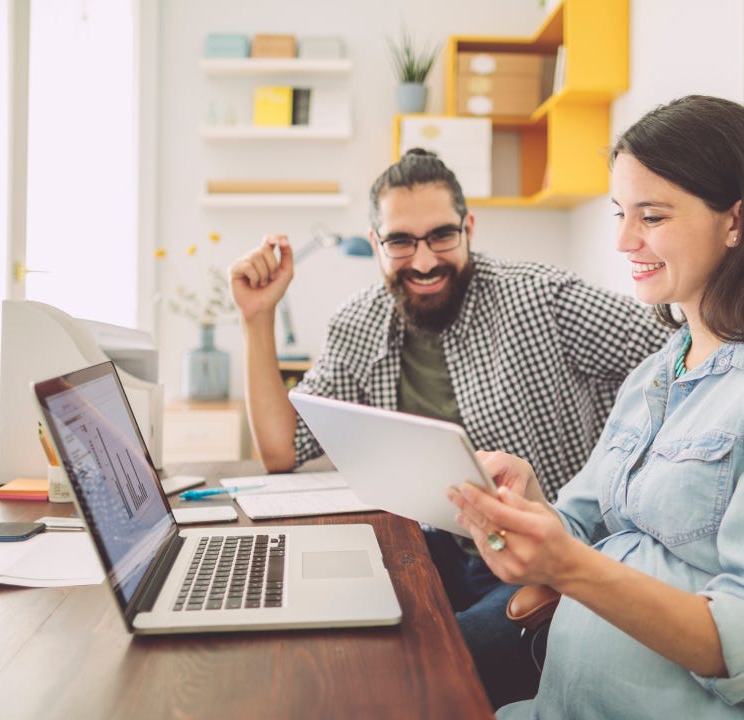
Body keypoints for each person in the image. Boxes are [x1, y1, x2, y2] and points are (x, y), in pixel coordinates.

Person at [448, 95, 744, 719]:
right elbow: (581, 527)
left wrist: (570, 567)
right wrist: (526, 503)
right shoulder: (657, 372)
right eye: (620, 214)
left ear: (735, 221)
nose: (624, 240)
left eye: (652, 216)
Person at [228, 148, 669, 706]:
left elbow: (678, 355)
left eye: (441, 236)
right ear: (377, 243)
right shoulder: (359, 323)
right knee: (333, 641)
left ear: (468, 228)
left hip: (545, 558)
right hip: (431, 545)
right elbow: (281, 450)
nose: (423, 260)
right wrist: (256, 316)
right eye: (401, 242)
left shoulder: (541, 296)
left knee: (426, 671)